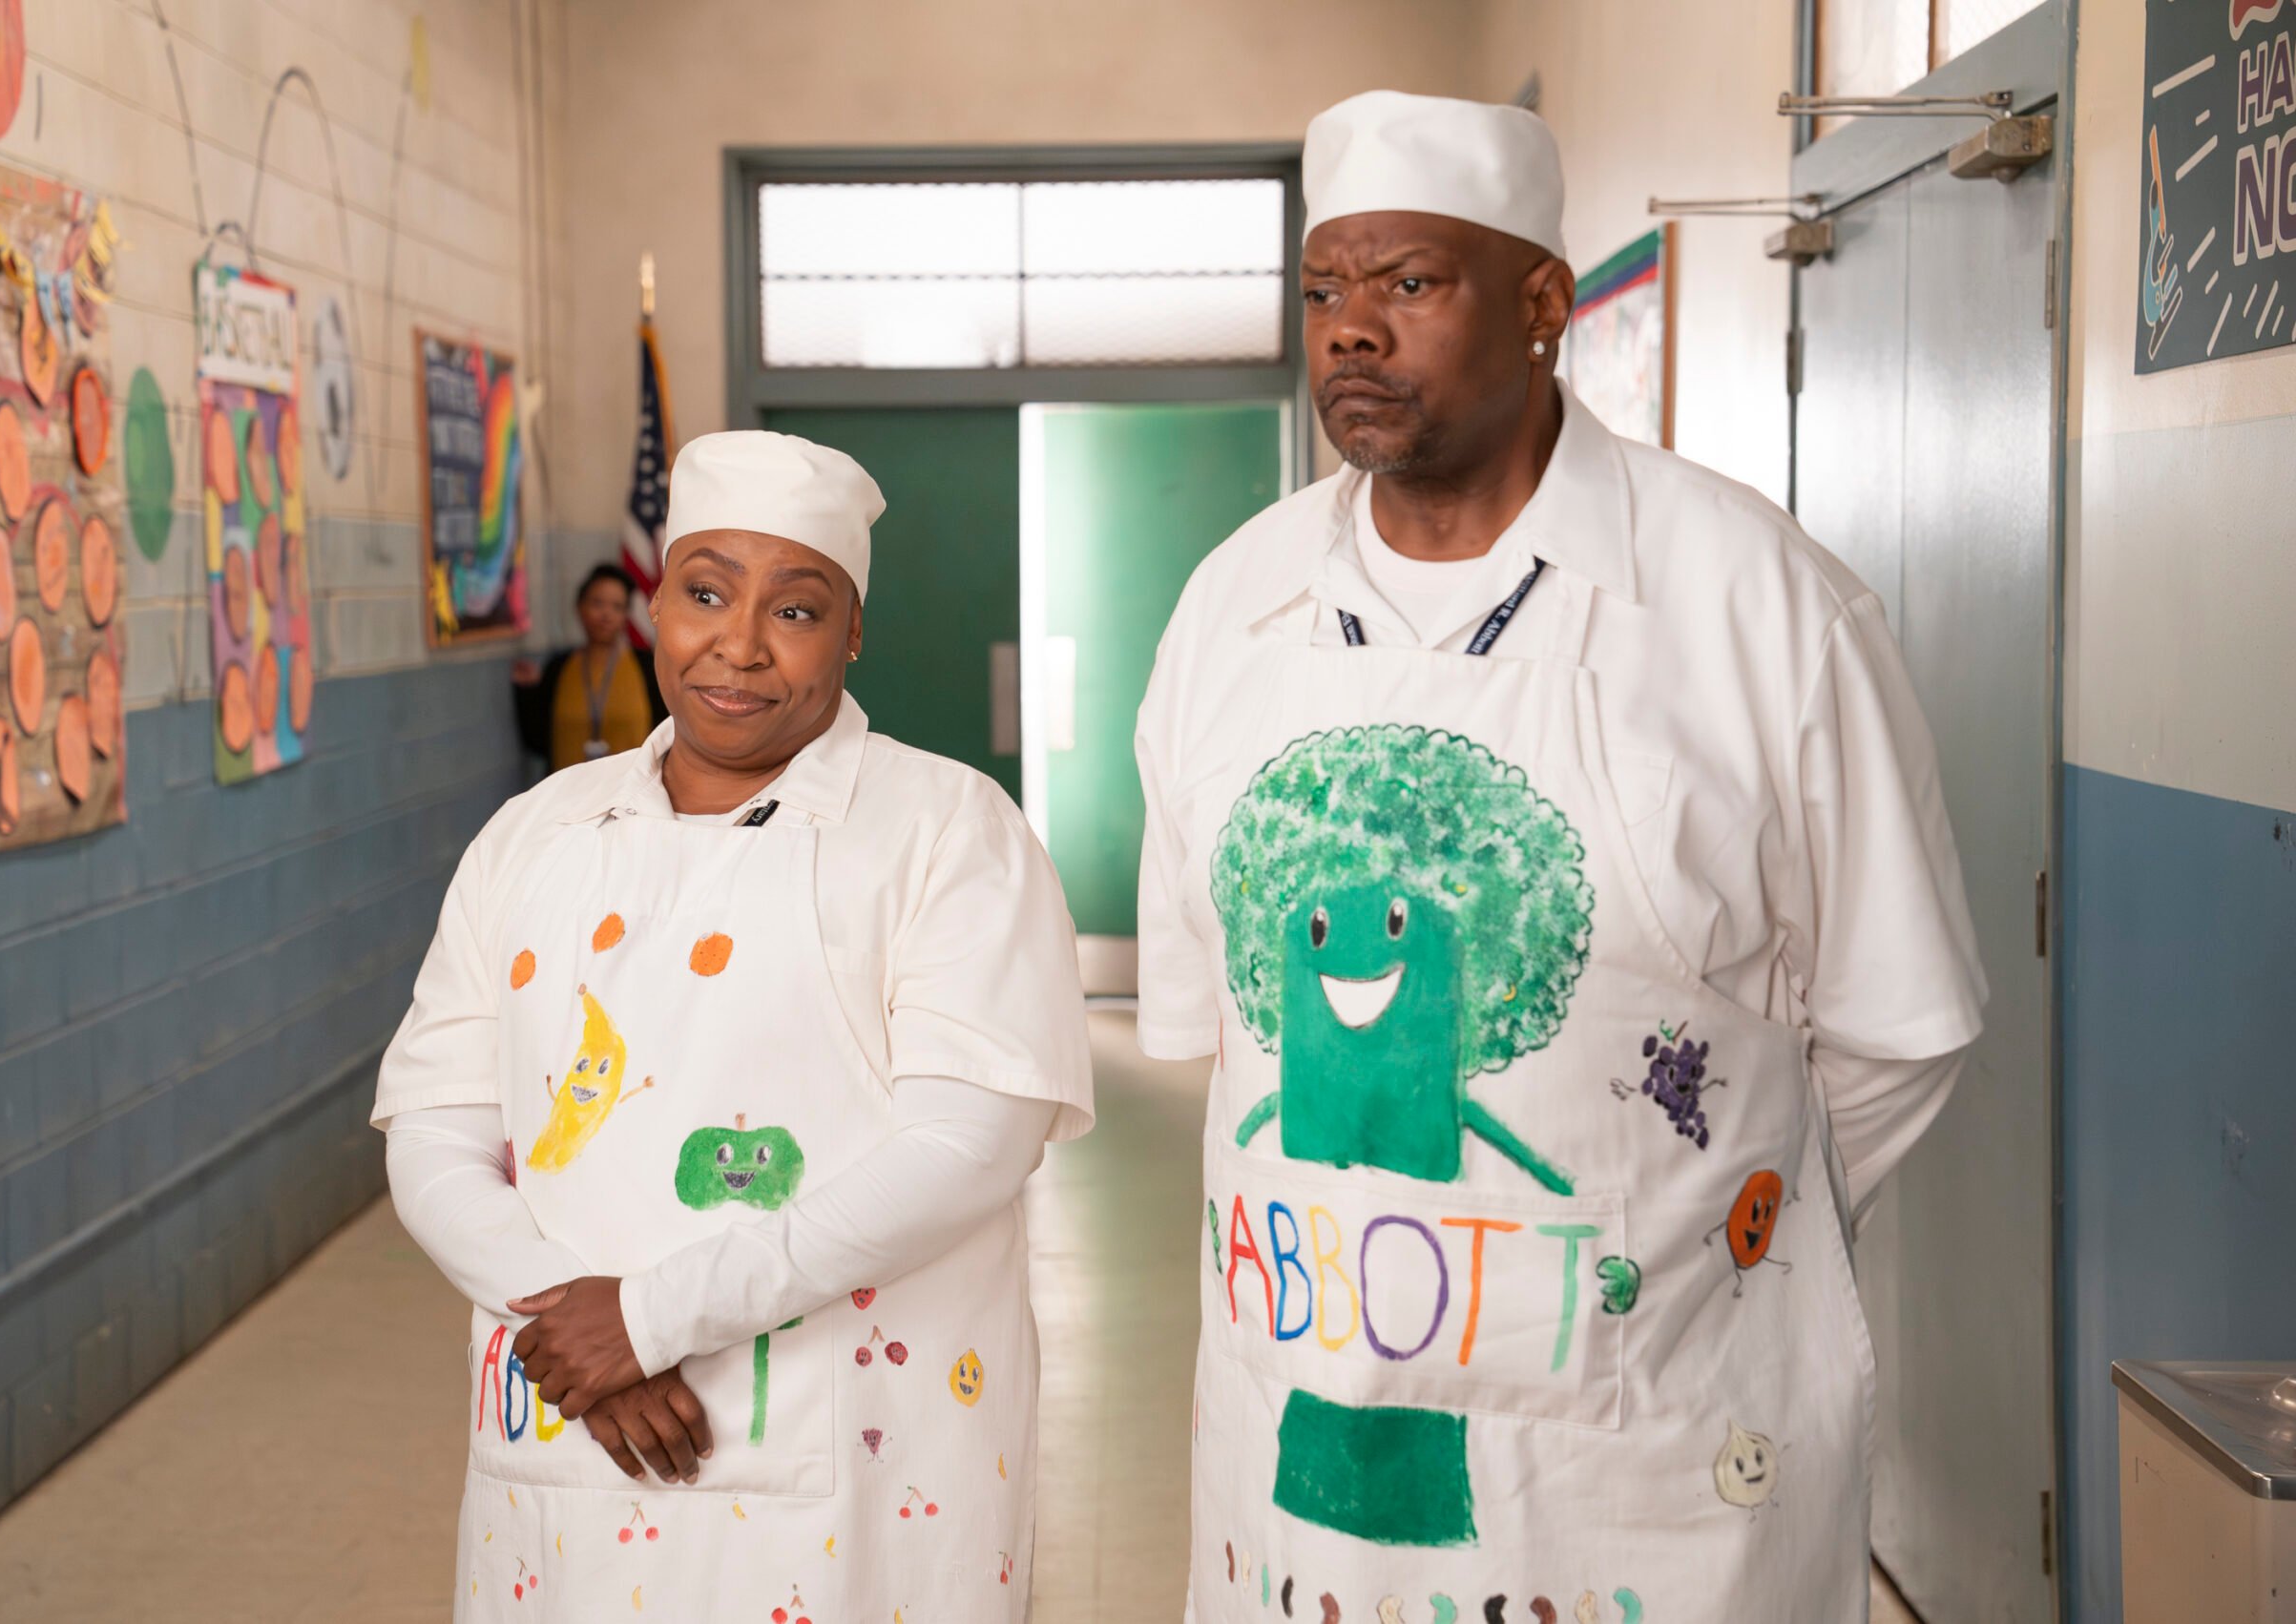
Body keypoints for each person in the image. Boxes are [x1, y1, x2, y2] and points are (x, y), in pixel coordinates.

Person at [1136, 91, 1985, 1621]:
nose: (1349, 332)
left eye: (1407, 285)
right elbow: (1209, 1022)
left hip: (1650, 1452)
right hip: (1300, 1461)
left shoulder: (1756, 605)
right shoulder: (1230, 611)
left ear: (1542, 306)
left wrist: (1689, 1226)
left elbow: (1897, 1027)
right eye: (1325, 289)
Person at [377, 430, 1093, 1620]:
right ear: (660, 603)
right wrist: (576, 1327)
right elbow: (433, 1131)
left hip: (862, 1463)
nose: (740, 646)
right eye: (705, 592)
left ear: (852, 632)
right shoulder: (536, 837)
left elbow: (970, 1144)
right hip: (570, 1440)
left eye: (797, 609)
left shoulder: (944, 829)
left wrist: (650, 1319)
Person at [511, 563, 667, 775]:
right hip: (566, 797)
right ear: (579, 607)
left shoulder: (648, 667)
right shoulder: (559, 667)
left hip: (629, 798)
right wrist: (526, 692)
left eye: (617, 606)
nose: (606, 614)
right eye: (597, 603)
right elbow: (537, 740)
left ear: (626, 615)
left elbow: (665, 737)